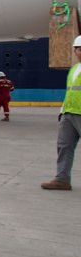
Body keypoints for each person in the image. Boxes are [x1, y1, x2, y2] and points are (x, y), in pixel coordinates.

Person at [41, 35, 81, 191]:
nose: (79, 52)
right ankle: (62, 179)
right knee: (64, 146)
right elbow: (70, 92)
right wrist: (62, 111)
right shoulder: (74, 69)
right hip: (69, 114)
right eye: (77, 49)